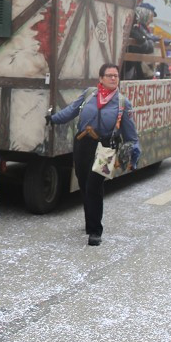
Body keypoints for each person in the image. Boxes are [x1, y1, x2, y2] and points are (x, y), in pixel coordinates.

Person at [47, 63, 140, 246]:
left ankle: (95, 231)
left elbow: (131, 133)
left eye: (116, 75)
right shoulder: (89, 94)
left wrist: (134, 153)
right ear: (101, 78)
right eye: (109, 75)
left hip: (105, 148)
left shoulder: (122, 102)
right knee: (83, 182)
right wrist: (53, 119)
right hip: (83, 143)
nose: (114, 78)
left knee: (94, 186)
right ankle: (89, 220)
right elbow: (72, 110)